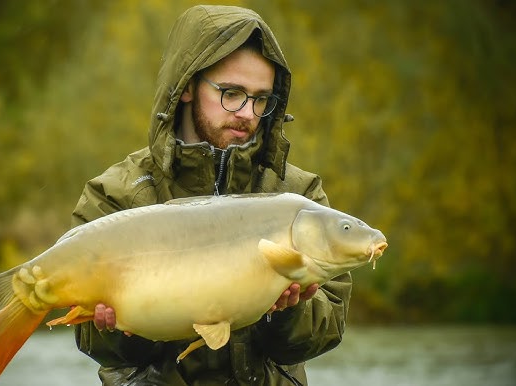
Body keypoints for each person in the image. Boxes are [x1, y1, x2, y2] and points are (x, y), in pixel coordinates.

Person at [70, 5, 352, 386]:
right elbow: (94, 344)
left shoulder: (297, 195)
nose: (247, 114)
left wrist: (284, 311)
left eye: (260, 99)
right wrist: (118, 329)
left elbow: (327, 329)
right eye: (232, 93)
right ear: (187, 86)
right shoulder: (115, 193)